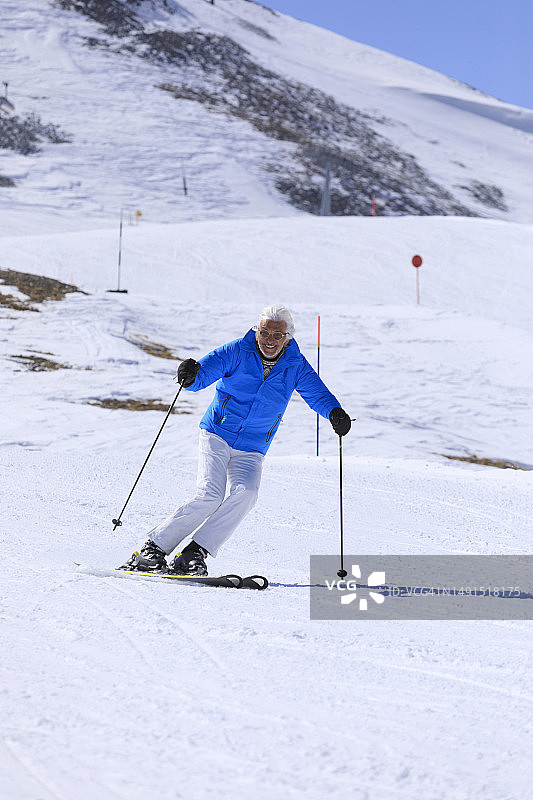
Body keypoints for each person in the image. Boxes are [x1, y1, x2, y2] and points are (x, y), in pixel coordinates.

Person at [124, 305, 351, 575]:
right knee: (210, 495)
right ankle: (153, 550)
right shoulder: (236, 351)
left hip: (253, 447)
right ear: (257, 331)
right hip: (217, 434)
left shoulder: (296, 364)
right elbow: (201, 376)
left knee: (247, 493)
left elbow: (317, 393)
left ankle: (194, 552)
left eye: (277, 336)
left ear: (287, 338)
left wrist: (334, 412)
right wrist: (190, 373)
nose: (269, 340)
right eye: (264, 332)